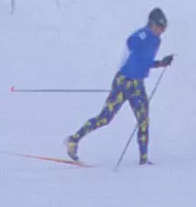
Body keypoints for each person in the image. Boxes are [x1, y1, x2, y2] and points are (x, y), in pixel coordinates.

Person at [66, 9, 173, 165]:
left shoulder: (157, 41)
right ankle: (73, 140)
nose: (162, 31)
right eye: (160, 27)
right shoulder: (143, 34)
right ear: (152, 24)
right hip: (123, 82)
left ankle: (144, 160)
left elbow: (144, 61)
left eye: (164, 28)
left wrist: (160, 63)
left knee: (144, 120)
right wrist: (144, 35)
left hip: (138, 85)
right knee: (105, 118)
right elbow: (131, 42)